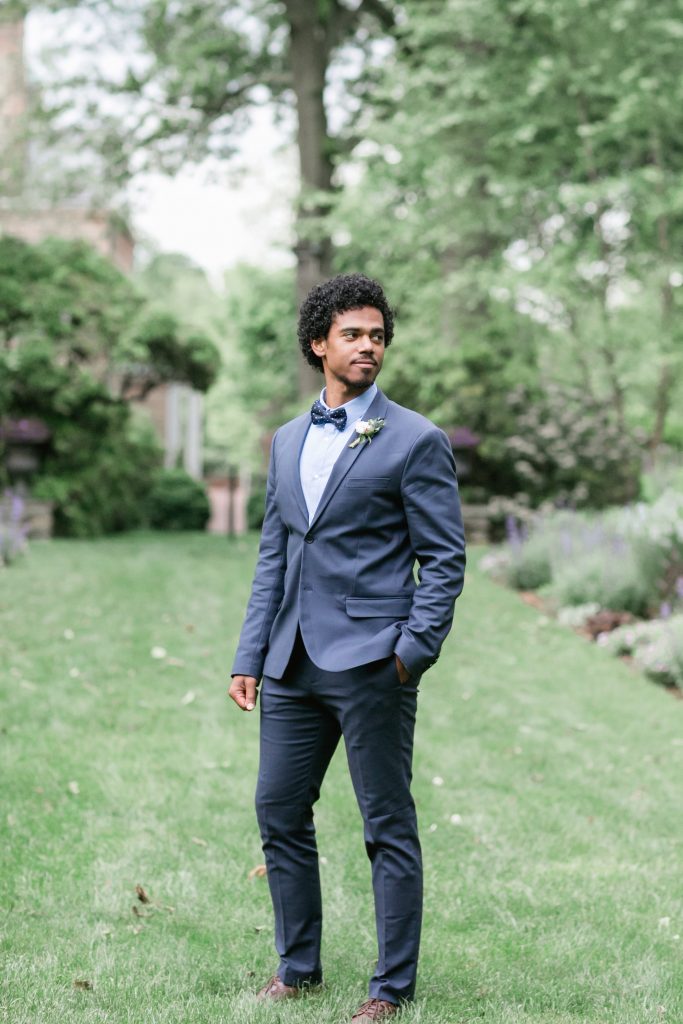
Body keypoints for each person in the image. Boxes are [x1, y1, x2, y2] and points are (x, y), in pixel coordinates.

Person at [229, 273, 466, 1022]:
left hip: (372, 663)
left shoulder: (414, 439)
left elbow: (445, 559)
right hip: (292, 662)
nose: (368, 346)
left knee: (384, 823)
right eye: (352, 334)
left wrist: (410, 652)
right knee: (277, 809)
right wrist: (248, 653)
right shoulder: (287, 439)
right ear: (317, 344)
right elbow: (277, 551)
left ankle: (388, 990)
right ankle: (297, 968)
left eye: (377, 335)